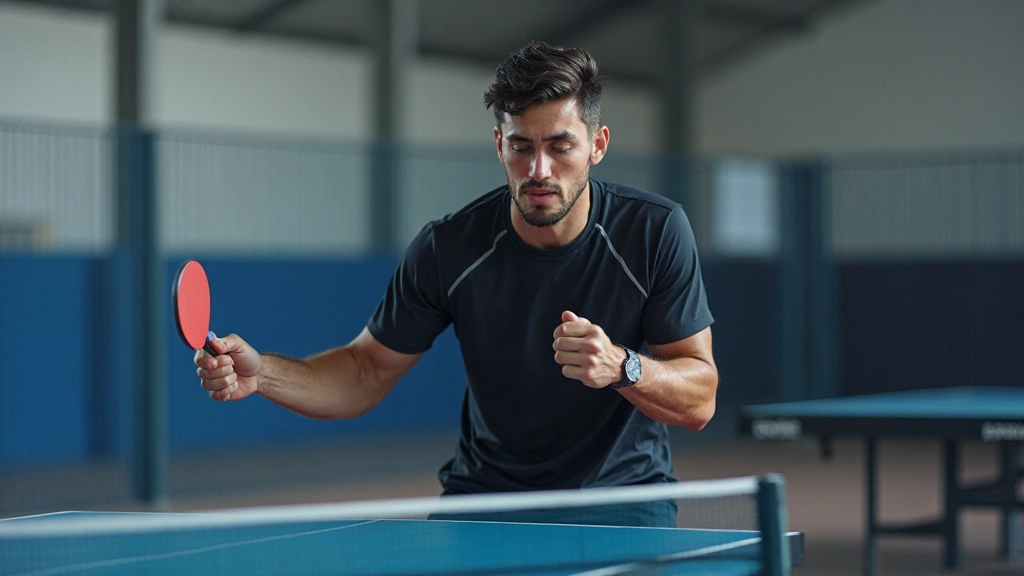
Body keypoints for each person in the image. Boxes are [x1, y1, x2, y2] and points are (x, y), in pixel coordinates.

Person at [195, 41, 718, 528]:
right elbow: (365, 370)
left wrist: (622, 366)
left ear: (597, 145)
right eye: (521, 147)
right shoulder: (449, 248)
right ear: (498, 145)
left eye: (560, 146)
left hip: (620, 498)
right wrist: (263, 375)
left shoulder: (654, 231)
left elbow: (699, 399)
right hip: (487, 497)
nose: (539, 169)